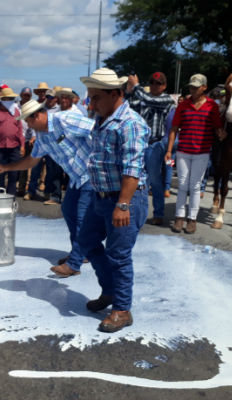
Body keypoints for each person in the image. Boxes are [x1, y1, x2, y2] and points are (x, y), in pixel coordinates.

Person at [77, 68, 149, 333]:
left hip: (124, 199)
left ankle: (122, 309)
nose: (91, 104)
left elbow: (132, 168)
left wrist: (123, 204)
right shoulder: (104, 119)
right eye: (90, 98)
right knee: (86, 240)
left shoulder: (130, 123)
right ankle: (109, 290)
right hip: (102, 197)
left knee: (118, 255)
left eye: (96, 98)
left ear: (116, 94)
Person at [0, 99, 95, 278]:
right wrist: (6, 168)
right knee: (68, 210)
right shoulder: (41, 136)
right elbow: (32, 161)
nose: (28, 124)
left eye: (29, 120)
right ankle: (82, 252)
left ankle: (75, 262)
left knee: (81, 217)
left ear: (38, 115)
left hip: (92, 174)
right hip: (76, 178)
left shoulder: (65, 119)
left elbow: (97, 130)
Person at [165, 74, 225, 234]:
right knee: (183, 185)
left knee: (195, 186)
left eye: (196, 87)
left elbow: (217, 127)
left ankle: (192, 219)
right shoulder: (183, 105)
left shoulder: (212, 106)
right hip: (183, 151)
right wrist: (170, 150)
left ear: (204, 87)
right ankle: (179, 217)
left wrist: (222, 134)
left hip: (202, 152)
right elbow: (174, 129)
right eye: (191, 86)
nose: (192, 89)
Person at [126, 71, 176, 226]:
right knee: (135, 178)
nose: (154, 86)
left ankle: (159, 214)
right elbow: (128, 105)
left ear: (164, 86)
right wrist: (128, 92)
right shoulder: (143, 99)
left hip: (155, 144)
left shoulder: (167, 99)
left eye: (158, 83)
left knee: (154, 180)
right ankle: (134, 212)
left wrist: (135, 86)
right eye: (152, 83)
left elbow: (147, 99)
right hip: (140, 143)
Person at [0, 87, 24, 195]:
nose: (10, 101)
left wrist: (22, 146)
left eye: (12, 98)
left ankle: (11, 198)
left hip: (14, 148)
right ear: (3, 99)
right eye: (8, 98)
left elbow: (20, 130)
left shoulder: (16, 112)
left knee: (13, 175)